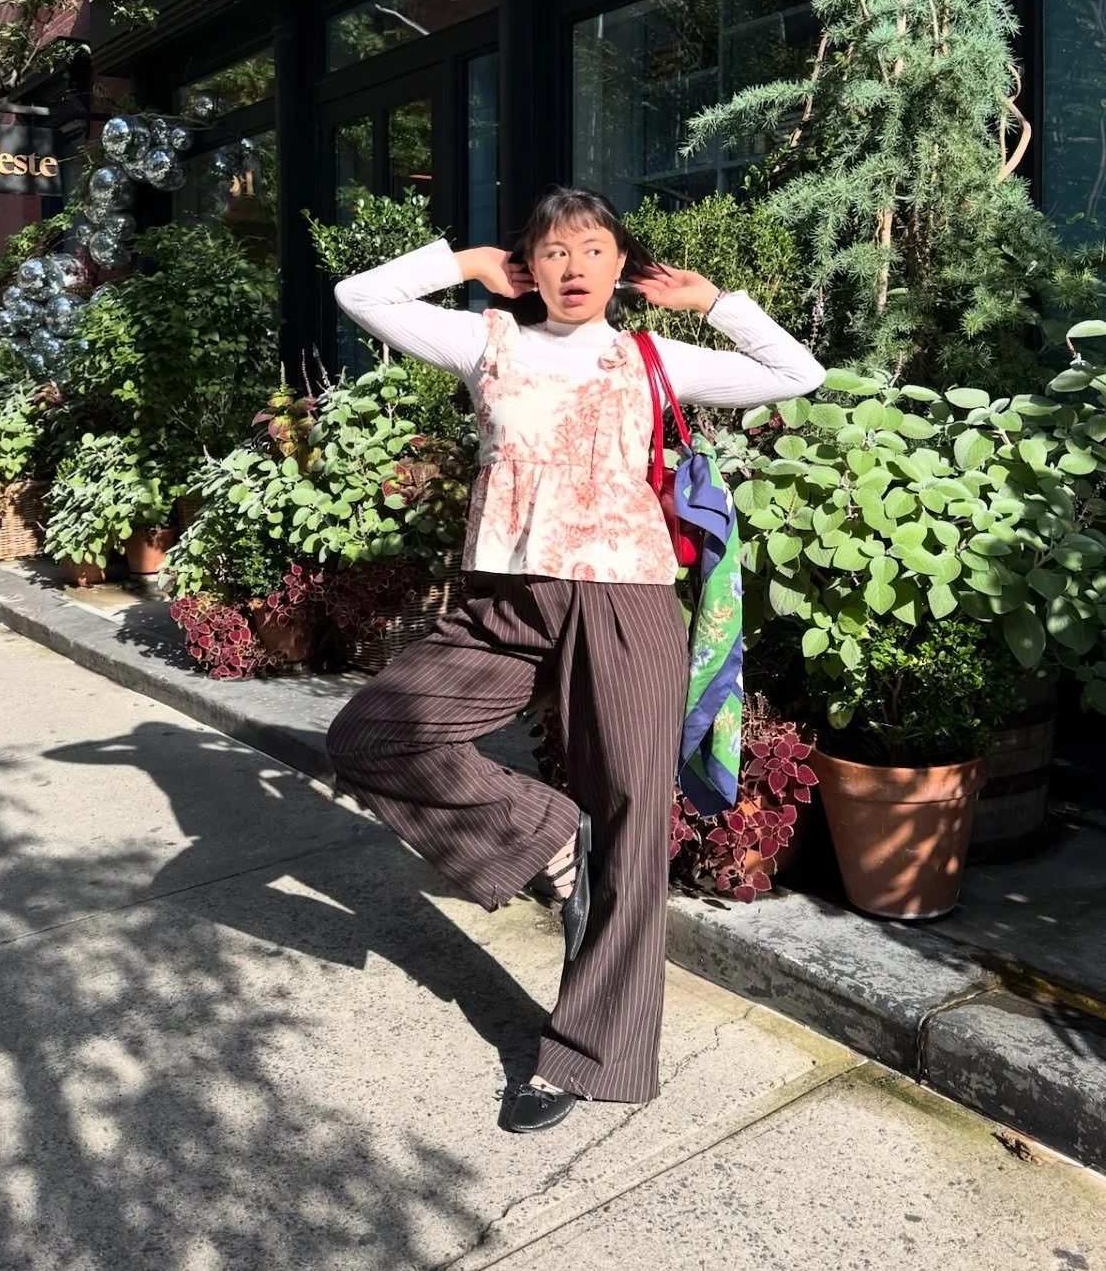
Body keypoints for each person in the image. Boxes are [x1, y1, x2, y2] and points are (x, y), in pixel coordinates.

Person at [326, 185, 823, 1132]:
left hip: (625, 598)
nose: (574, 267)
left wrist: (715, 302)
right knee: (375, 734)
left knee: (632, 818)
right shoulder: (485, 342)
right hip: (509, 599)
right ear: (530, 267)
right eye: (554, 250)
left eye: (594, 249)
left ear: (620, 265)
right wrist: (465, 264)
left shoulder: (651, 356)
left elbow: (797, 372)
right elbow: (360, 295)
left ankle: (591, 1056)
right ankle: (552, 838)